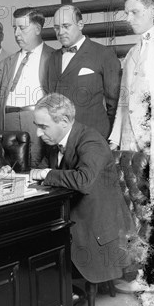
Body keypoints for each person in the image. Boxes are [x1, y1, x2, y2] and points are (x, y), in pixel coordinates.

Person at [29, 93, 130, 285]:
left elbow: (83, 180)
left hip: (95, 225)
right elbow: (41, 170)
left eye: (43, 127)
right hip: (71, 215)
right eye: (37, 126)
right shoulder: (53, 141)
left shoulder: (91, 140)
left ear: (64, 121)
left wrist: (45, 174)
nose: (38, 134)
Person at [108, 0, 154, 220]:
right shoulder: (132, 53)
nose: (128, 19)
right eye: (126, 13)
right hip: (129, 141)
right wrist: (115, 138)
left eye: (135, 12)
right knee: (134, 204)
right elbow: (124, 102)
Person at [46, 4, 122, 139]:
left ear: (80, 25)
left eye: (66, 26)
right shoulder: (53, 57)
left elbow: (115, 104)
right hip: (59, 139)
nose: (61, 32)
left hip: (93, 137)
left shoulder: (104, 54)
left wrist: (108, 137)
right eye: (57, 28)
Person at [0, 7, 55, 167]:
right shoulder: (6, 63)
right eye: (14, 28)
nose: (17, 33)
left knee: (37, 168)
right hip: (8, 122)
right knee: (10, 170)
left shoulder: (54, 58)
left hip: (36, 121)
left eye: (22, 28)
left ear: (38, 29)